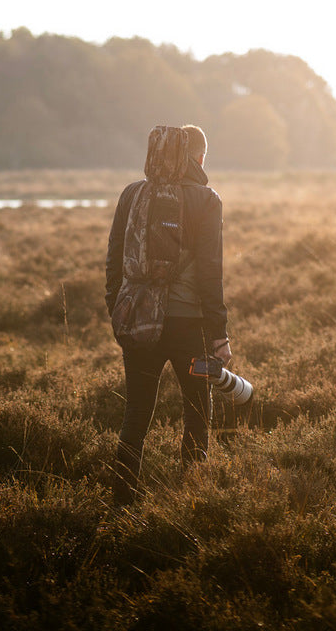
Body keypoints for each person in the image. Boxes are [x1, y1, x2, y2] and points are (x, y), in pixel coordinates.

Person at [105, 124, 230, 505]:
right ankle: (192, 494)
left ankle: (121, 501)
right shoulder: (206, 200)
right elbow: (211, 273)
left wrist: (118, 308)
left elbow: (113, 261)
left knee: (137, 411)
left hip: (138, 319)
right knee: (196, 408)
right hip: (188, 325)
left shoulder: (131, 193)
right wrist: (219, 333)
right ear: (199, 158)